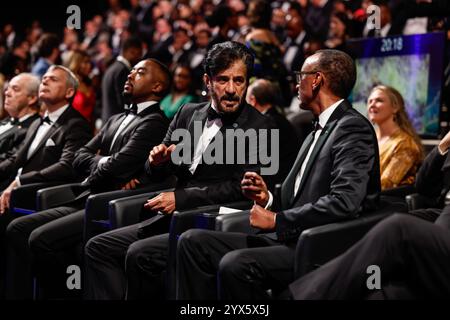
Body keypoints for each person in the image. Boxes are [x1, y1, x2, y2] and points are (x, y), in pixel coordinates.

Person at [176, 49, 380, 300]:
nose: (295, 82)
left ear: (316, 80)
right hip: (293, 235)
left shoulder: (351, 127)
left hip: (319, 245)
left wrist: (278, 220)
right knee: (192, 241)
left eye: (300, 75)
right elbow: (298, 194)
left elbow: (345, 202)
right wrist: (267, 198)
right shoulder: (316, 126)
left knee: (236, 264)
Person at [84, 41, 273, 300]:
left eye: (239, 81)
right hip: (174, 216)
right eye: (222, 80)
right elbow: (154, 171)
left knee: (139, 254)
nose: (231, 89)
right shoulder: (188, 113)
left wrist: (180, 199)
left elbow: (238, 188)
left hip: (211, 221)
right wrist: (158, 162)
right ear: (207, 81)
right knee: (98, 247)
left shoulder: (260, 126)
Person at [4, 59, 171, 300]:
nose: (130, 75)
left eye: (139, 72)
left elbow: (116, 166)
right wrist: (103, 162)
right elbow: (79, 158)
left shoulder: (155, 122)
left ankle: (67, 293)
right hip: (87, 195)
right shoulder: (115, 118)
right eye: (131, 70)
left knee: (41, 238)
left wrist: (103, 161)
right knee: (17, 228)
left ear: (157, 86)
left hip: (107, 202)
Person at [0, 65, 92, 297]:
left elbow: (67, 167)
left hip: (50, 193)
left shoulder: (76, 124)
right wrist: (16, 180)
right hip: (21, 191)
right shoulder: (39, 122)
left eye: (53, 79)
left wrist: (21, 181)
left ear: (69, 92)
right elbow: (15, 162)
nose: (45, 82)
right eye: (44, 79)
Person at [367, 85, 423, 190]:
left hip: (385, 203)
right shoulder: (367, 139)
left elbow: (384, 185)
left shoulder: (405, 144)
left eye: (379, 100)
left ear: (395, 107)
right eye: (370, 101)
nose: (372, 105)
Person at [246, 78, 299, 186]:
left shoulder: (266, 125)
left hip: (273, 189)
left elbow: (259, 168)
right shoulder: (280, 119)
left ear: (252, 100)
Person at [245, 0, 290, 106]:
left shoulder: (253, 37)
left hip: (261, 92)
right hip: (277, 89)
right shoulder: (273, 37)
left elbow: (253, 68)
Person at [0, 73, 40, 164]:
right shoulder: (6, 121)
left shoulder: (33, 128)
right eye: (8, 88)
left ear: (32, 98)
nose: (7, 93)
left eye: (15, 89)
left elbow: (10, 161)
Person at [101, 36, 143, 123]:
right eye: (139, 54)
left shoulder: (112, 67)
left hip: (108, 121)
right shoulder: (123, 71)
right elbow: (123, 101)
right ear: (132, 51)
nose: (140, 58)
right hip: (116, 122)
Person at [65, 50, 96, 122]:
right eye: (85, 62)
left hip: (89, 128)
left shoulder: (89, 83)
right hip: (73, 127)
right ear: (76, 63)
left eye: (89, 62)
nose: (89, 66)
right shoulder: (68, 84)